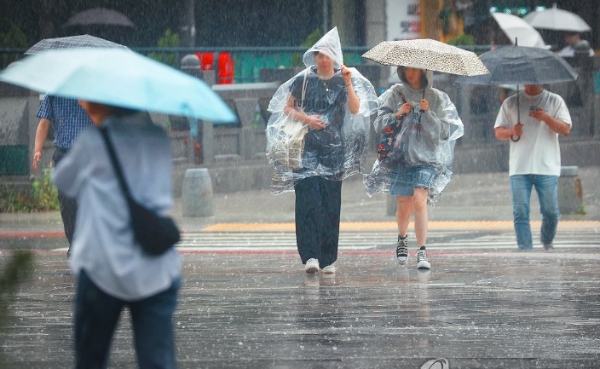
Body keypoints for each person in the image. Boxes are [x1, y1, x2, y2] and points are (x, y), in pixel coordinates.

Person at [52, 101, 181, 369]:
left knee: (91, 359)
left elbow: (64, 182)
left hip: (102, 267)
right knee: (157, 360)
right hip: (153, 268)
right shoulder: (157, 139)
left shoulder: (92, 142)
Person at [266, 27, 377, 274]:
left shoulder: (343, 79)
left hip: (334, 149)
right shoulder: (303, 79)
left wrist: (348, 83)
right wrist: (308, 119)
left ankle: (328, 258)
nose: (323, 59)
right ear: (315, 57)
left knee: (329, 202)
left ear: (335, 56)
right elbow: (287, 109)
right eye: (319, 55)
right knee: (307, 200)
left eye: (327, 55)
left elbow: (356, 109)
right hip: (306, 147)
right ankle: (310, 256)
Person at [364, 67, 464, 270]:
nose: (410, 73)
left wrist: (428, 114)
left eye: (415, 70)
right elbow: (379, 125)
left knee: (419, 201)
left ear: (423, 72)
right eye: (406, 69)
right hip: (400, 158)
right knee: (404, 205)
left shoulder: (436, 97)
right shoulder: (395, 93)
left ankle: (422, 251)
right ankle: (402, 238)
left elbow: (444, 132)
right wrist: (397, 114)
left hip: (426, 159)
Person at [494, 84, 571, 251]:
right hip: (520, 167)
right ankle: (525, 250)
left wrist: (546, 118)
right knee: (520, 212)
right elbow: (498, 131)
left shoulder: (554, 100)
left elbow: (565, 129)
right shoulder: (511, 102)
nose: (531, 82)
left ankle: (546, 239)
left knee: (551, 212)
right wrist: (512, 131)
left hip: (547, 166)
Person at [34, 96, 94, 256]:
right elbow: (44, 123)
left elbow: (103, 120)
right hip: (64, 154)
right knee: (67, 202)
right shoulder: (54, 94)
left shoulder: (93, 91)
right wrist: (38, 150)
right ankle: (75, 244)